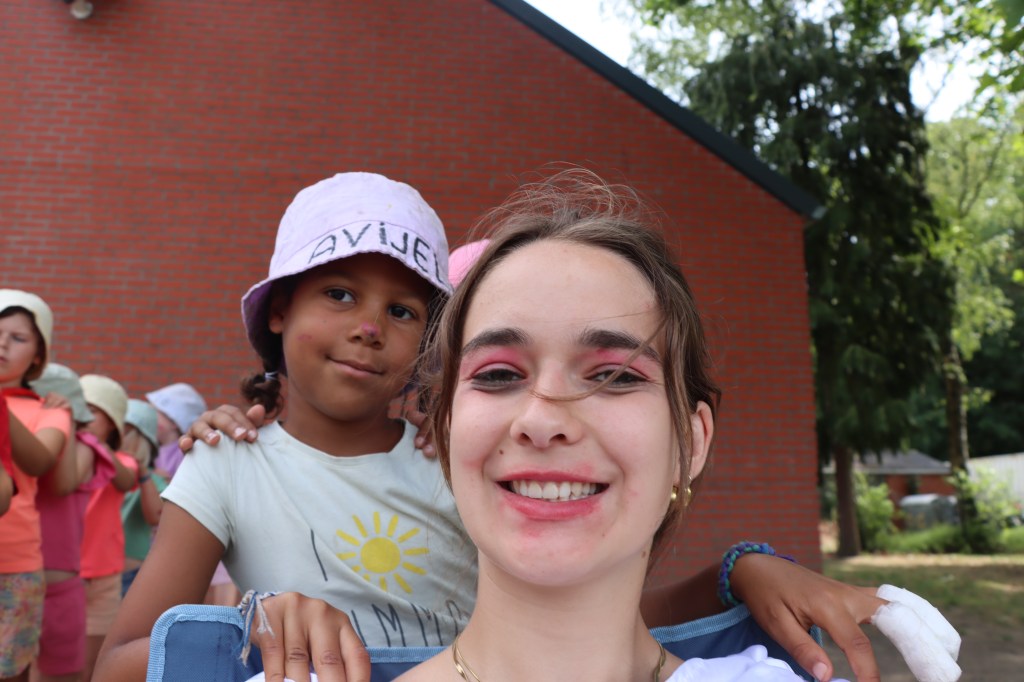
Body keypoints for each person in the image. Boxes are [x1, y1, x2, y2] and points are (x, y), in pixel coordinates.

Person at [95, 171, 466, 682]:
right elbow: (115, 668)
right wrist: (248, 628)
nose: (369, 328)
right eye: (339, 294)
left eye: (402, 310)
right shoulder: (226, 462)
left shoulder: (457, 462)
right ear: (279, 311)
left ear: (427, 343)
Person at [0, 290, 72, 682]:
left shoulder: (50, 411)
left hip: (15, 564)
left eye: (17, 338)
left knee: (10, 671)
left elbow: (40, 460)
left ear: (38, 357)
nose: (2, 344)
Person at [30, 364, 118, 682]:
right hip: (15, 576)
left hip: (60, 583)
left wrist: (61, 422)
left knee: (61, 673)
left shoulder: (85, 446)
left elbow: (64, 483)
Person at [78, 374, 138, 682]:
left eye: (92, 411)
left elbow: (126, 480)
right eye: (78, 408)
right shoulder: (60, 455)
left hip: (103, 576)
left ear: (113, 424)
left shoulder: (123, 460)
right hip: (61, 575)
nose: (83, 416)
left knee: (90, 666)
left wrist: (96, 446)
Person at [119, 399, 167, 597]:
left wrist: (143, 475)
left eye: (123, 432)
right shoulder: (99, 470)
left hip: (130, 574)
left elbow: (156, 517)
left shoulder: (153, 481)